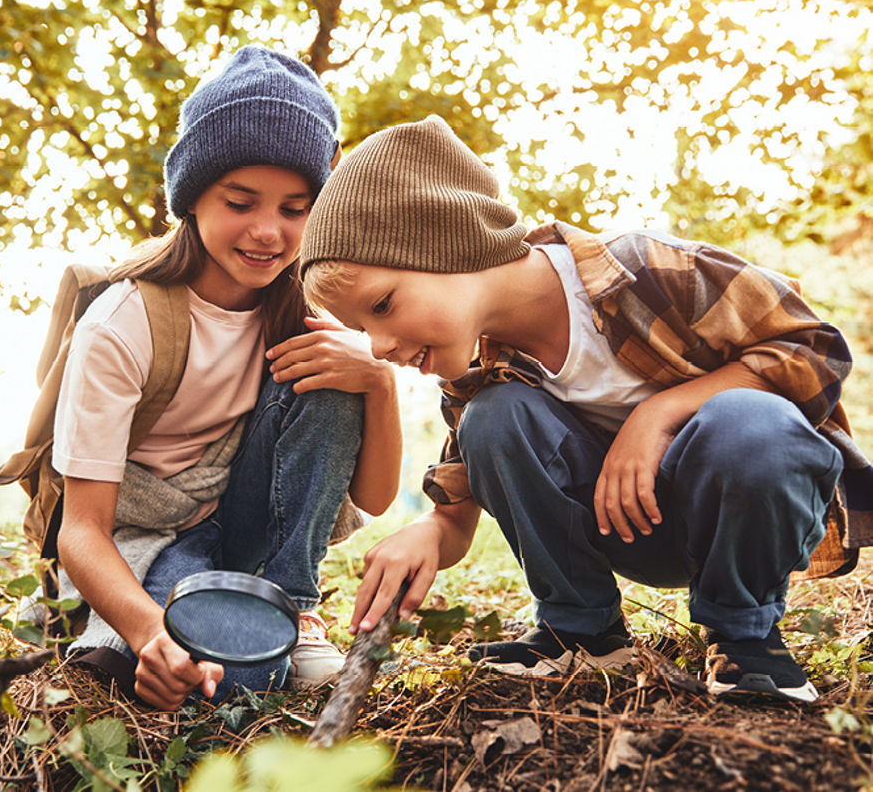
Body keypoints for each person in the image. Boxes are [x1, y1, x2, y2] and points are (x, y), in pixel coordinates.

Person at [296, 114, 872, 702]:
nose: (379, 346)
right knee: (496, 417)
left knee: (753, 421)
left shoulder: (648, 271)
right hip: (626, 529)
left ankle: (747, 640)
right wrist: (426, 533)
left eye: (383, 306)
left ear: (452, 243)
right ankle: (584, 635)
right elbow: (457, 515)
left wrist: (658, 414)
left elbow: (815, 351)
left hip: (741, 510)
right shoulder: (481, 377)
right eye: (363, 330)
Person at [52, 46, 402, 711]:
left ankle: (292, 607)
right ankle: (138, 622)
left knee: (331, 370)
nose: (268, 232)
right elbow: (82, 529)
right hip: (150, 535)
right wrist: (151, 633)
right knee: (219, 680)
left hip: (246, 519)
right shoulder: (123, 325)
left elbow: (376, 497)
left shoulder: (306, 313)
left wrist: (377, 379)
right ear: (193, 197)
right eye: (241, 202)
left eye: (296, 210)